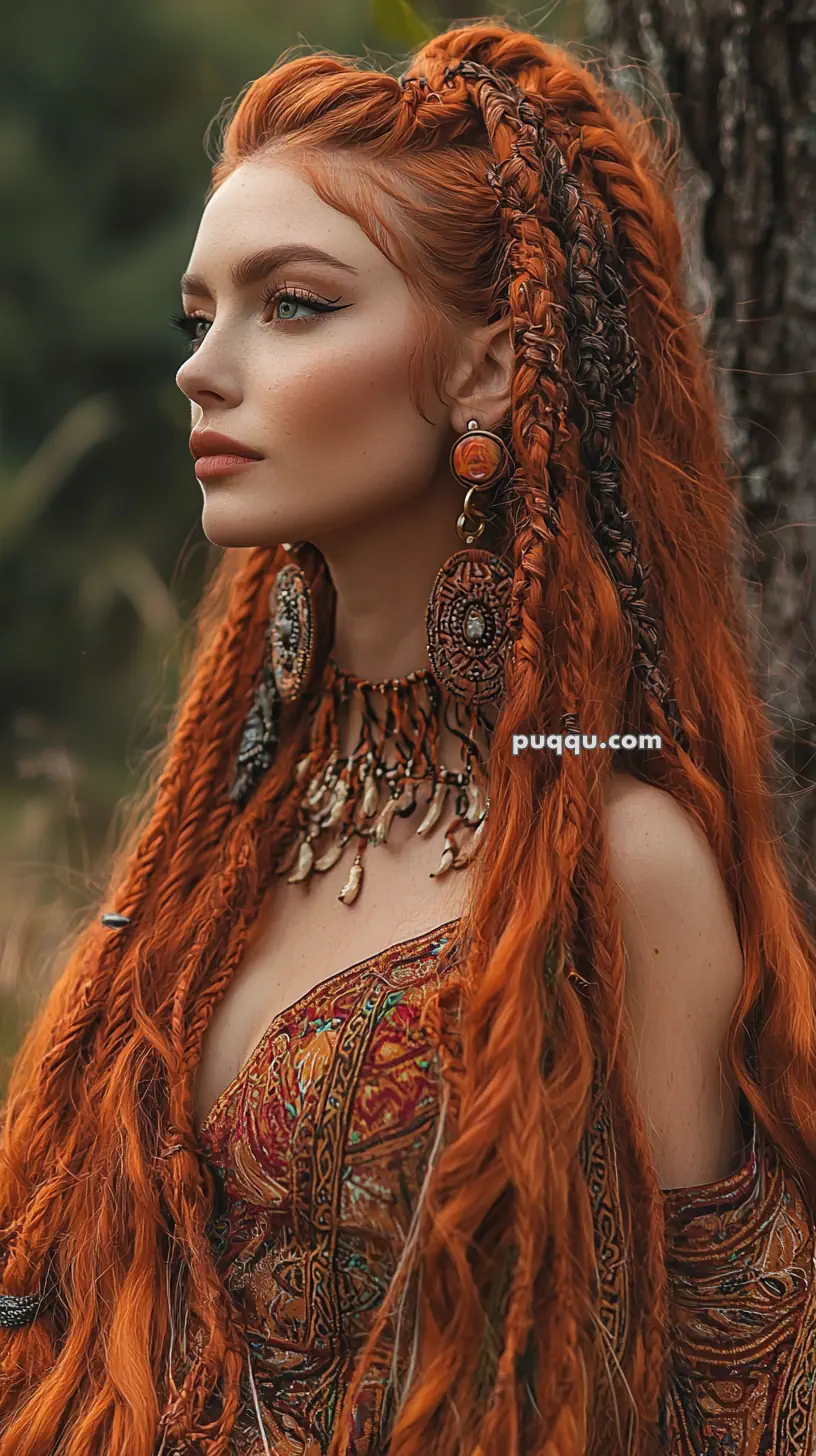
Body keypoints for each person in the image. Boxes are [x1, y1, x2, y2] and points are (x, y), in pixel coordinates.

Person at [1, 17, 815, 1456]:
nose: (205, 368)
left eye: (294, 305)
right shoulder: (236, 828)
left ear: (494, 366)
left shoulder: (614, 861)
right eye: (201, 314)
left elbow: (741, 1398)